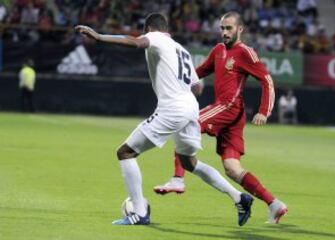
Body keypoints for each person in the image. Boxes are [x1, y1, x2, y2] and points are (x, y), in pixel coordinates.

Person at [75, 13, 253, 226]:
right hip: (190, 107)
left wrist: (100, 37)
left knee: (125, 152)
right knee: (189, 162)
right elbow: (197, 86)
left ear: (150, 28)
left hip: (173, 108)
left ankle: (140, 213)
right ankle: (239, 197)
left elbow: (135, 42)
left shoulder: (156, 38)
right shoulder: (182, 50)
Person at [154, 11, 288, 224]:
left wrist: (264, 111)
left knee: (185, 123)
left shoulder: (245, 52)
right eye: (222, 28)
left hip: (229, 107)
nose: (224, 32)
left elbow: (267, 80)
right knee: (232, 169)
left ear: (240, 29)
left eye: (229, 28)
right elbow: (199, 71)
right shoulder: (218, 50)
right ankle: (274, 204)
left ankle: (178, 179)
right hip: (229, 113)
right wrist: (183, 82)